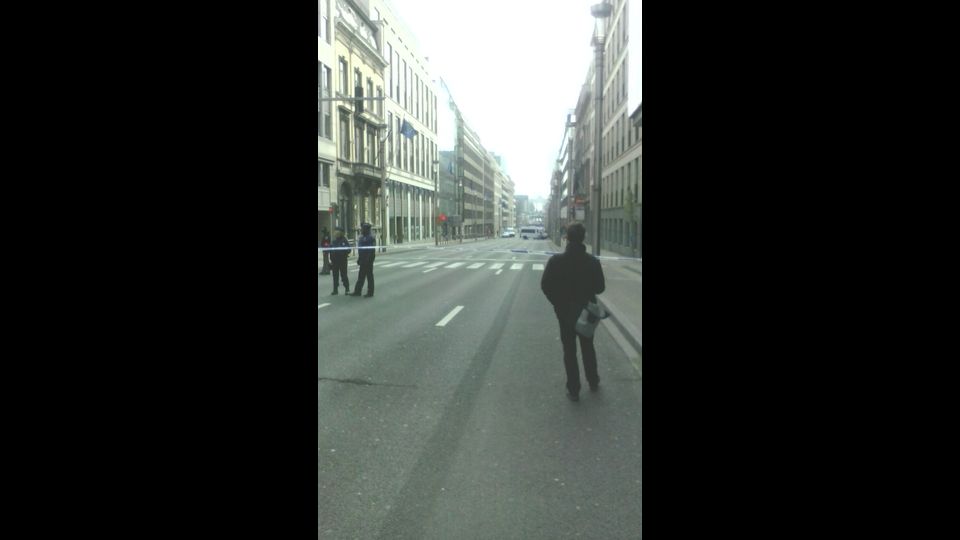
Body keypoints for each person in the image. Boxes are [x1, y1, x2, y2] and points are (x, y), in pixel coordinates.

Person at [540, 222, 605, 402]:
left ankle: (574, 389)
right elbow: (600, 288)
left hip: (565, 312)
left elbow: (545, 285)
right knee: (588, 347)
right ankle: (593, 380)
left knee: (569, 350)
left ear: (566, 238)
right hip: (586, 312)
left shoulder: (556, 261)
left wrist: (557, 303)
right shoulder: (592, 262)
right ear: (583, 238)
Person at [350, 222, 376, 298]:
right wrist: (359, 258)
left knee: (369, 276)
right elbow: (360, 250)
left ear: (367, 229)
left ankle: (370, 292)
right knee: (361, 276)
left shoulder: (370, 238)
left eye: (363, 229)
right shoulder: (362, 237)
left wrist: (368, 259)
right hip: (363, 259)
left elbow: (371, 250)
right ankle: (358, 291)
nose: (361, 230)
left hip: (368, 260)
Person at [329, 227, 350, 295]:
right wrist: (331, 258)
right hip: (335, 261)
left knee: (344, 275)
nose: (335, 233)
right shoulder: (334, 241)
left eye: (337, 232)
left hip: (342, 260)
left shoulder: (344, 240)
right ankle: (335, 290)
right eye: (335, 232)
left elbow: (349, 249)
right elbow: (331, 249)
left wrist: (342, 252)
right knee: (335, 276)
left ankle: (347, 289)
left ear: (340, 233)